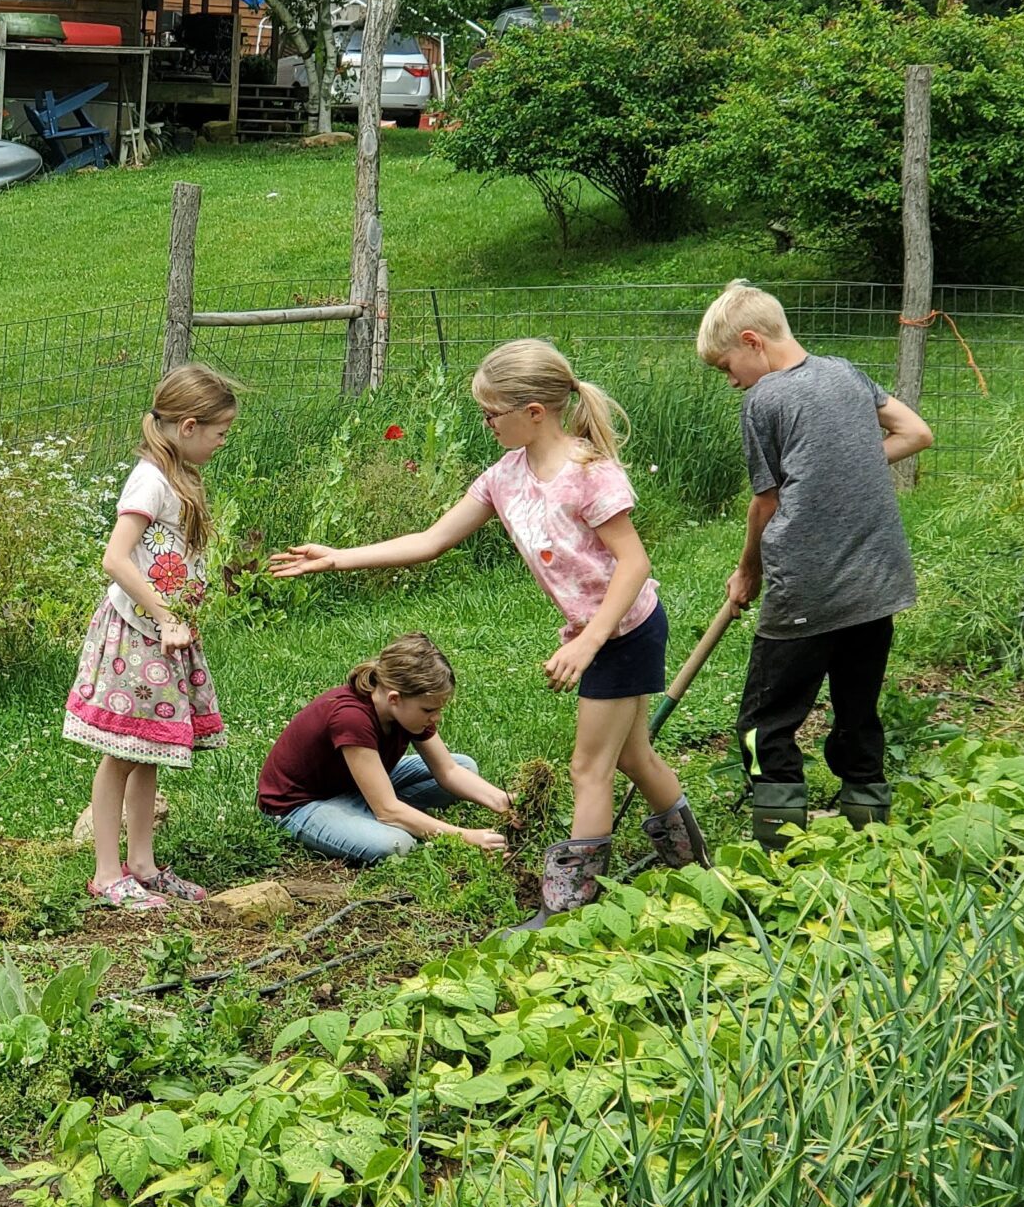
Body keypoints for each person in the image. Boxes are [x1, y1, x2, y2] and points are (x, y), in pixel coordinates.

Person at [271, 339, 707, 920]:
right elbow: (431, 540)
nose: (486, 423)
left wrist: (588, 640)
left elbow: (635, 564)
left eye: (492, 413)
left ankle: (571, 905)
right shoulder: (505, 476)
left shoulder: (588, 475)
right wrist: (339, 558)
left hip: (623, 630)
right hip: (598, 633)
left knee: (589, 768)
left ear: (535, 412)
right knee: (633, 758)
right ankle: (695, 865)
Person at [697, 279, 934, 848]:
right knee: (858, 711)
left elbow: (766, 502)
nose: (730, 382)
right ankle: (870, 830)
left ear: (752, 342)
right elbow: (916, 432)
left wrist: (748, 570)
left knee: (763, 723)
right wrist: (843, 467)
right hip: (877, 583)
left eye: (727, 367)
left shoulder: (765, 399)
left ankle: (780, 848)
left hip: (807, 589)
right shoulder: (847, 373)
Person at [62, 363, 238, 912]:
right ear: (187, 426)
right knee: (120, 752)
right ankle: (106, 872)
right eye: (219, 432)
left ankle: (142, 864)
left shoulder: (179, 474)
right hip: (139, 633)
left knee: (148, 748)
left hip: (165, 635)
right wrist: (165, 615)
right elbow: (115, 558)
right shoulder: (150, 479)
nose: (221, 442)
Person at [256, 633, 510, 863]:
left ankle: (365, 813)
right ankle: (361, 816)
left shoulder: (406, 713)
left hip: (352, 787)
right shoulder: (351, 717)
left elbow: (449, 771)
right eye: (429, 710)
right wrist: (466, 837)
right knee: (396, 843)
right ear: (394, 699)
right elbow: (387, 810)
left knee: (467, 766)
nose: (436, 718)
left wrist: (503, 801)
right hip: (301, 805)